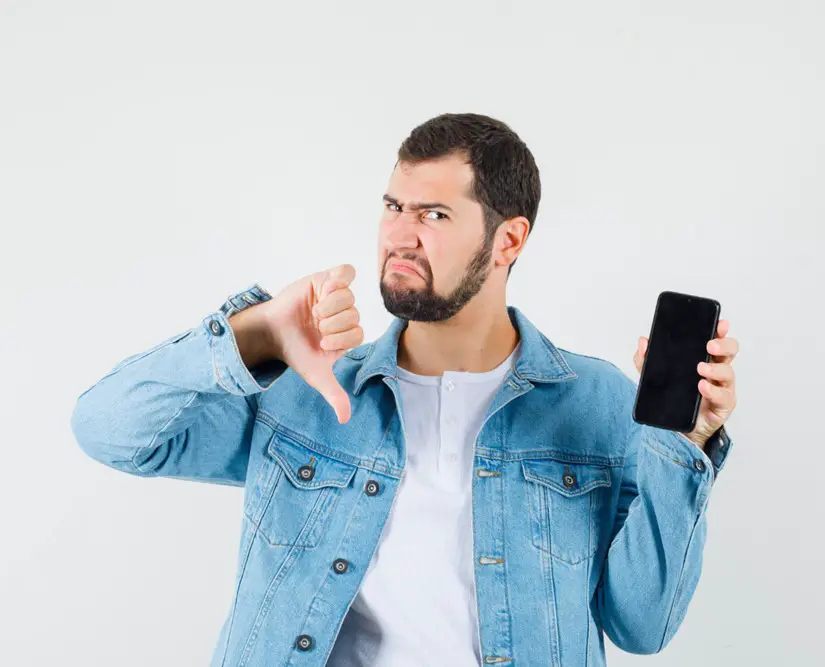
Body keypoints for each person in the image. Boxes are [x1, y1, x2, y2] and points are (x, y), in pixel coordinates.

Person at [71, 112, 739, 667]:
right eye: (393, 206)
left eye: (435, 214)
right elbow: (109, 430)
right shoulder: (309, 390)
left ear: (508, 240)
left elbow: (641, 624)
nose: (399, 235)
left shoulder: (595, 404)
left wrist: (682, 446)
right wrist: (253, 337)